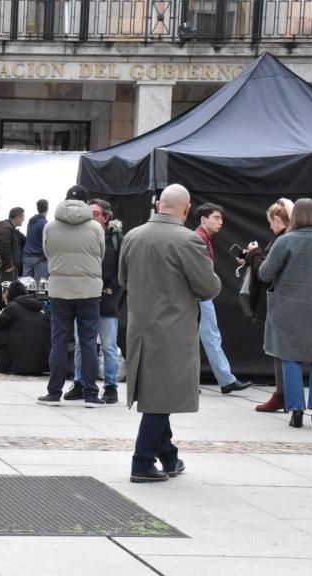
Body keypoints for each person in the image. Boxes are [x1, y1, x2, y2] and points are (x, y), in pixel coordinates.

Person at [121, 184, 221, 483]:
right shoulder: (188, 240)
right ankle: (142, 462)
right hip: (172, 331)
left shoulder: (133, 235)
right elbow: (209, 287)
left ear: (158, 204)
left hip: (140, 328)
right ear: (187, 208)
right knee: (160, 400)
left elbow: (123, 279)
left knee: (156, 394)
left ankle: (169, 456)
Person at [258, 198, 312, 430]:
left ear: (294, 216)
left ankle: (295, 411)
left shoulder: (285, 241)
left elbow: (265, 274)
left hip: (287, 309)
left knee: (290, 358)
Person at [38, 185, 105, 408]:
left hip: (59, 290)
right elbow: (100, 254)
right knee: (87, 343)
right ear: (87, 203)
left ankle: (54, 392)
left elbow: (47, 253)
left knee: (58, 341)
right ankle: (91, 394)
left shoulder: (50, 226)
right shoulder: (96, 227)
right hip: (89, 291)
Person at [68, 199, 124, 404]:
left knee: (109, 345)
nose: (91, 217)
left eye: (95, 214)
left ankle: (110, 386)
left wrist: (109, 289)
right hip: (82, 296)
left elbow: (121, 268)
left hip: (107, 297)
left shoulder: (116, 238)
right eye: (88, 213)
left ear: (106, 217)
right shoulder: (80, 235)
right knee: (82, 344)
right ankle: (80, 382)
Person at [194, 203, 253, 394]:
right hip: (200, 297)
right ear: (204, 219)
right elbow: (199, 272)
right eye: (216, 218)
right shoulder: (199, 239)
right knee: (210, 338)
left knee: (200, 339)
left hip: (198, 296)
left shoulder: (203, 237)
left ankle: (218, 380)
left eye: (221, 218)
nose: (221, 222)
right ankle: (225, 380)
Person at [244, 199, 294, 412]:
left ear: (277, 218)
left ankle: (283, 395)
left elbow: (266, 272)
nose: (269, 226)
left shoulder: (282, 241)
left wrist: (254, 254)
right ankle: (285, 395)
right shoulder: (288, 240)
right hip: (288, 302)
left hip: (279, 303)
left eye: (270, 221)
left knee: (279, 351)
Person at [0, 281, 50, 375]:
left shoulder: (13, 307)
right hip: (41, 365)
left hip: (17, 365)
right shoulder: (39, 308)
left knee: (1, 328)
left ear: (10, 294)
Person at [0, 207, 25, 282]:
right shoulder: (7, 228)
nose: (23, 220)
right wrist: (9, 264)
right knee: (7, 289)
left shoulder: (9, 227)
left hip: (9, 266)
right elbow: (5, 247)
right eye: (23, 217)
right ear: (17, 217)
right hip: (6, 267)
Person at [23, 199, 49, 281]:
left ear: (37, 208)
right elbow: (47, 242)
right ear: (47, 208)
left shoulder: (31, 222)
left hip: (27, 257)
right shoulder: (45, 224)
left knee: (26, 285)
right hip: (39, 259)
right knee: (39, 287)